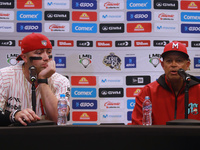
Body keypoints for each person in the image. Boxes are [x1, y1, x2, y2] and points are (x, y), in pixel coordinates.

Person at [0, 33, 70, 126]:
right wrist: (14, 115)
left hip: (48, 137)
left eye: (49, 52)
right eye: (39, 53)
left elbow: (59, 118)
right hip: (13, 136)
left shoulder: (61, 81)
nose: (46, 58)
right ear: (24, 57)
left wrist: (43, 80)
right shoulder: (4, 76)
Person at [132, 41, 200, 125]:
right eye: (169, 61)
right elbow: (137, 128)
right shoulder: (148, 92)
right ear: (163, 65)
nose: (173, 65)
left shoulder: (198, 90)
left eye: (179, 60)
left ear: (187, 65)